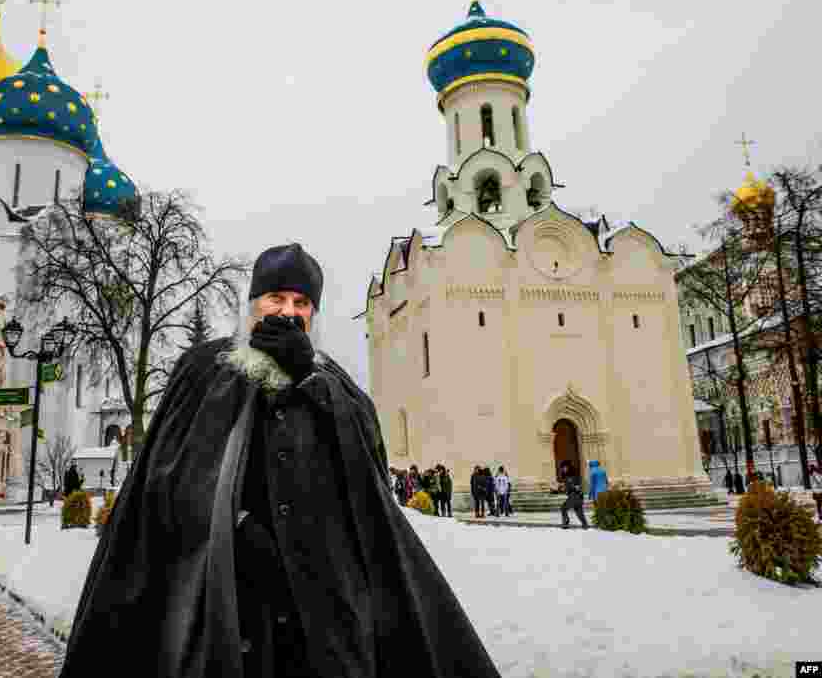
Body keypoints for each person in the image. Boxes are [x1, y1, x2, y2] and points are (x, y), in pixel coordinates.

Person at [59, 242, 502, 678]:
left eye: (301, 302)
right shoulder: (204, 370)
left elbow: (367, 469)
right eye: (276, 298)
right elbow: (165, 477)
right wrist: (234, 522)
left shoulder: (333, 383)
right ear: (253, 305)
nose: (289, 312)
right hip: (228, 599)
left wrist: (307, 377)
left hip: (321, 608)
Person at [560, 461, 589, 530]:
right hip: (576, 496)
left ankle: (565, 523)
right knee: (579, 512)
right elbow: (568, 486)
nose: (563, 469)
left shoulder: (572, 476)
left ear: (568, 467)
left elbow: (575, 486)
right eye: (562, 468)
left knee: (563, 508)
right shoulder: (568, 476)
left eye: (564, 467)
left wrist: (574, 487)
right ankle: (585, 524)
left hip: (575, 496)